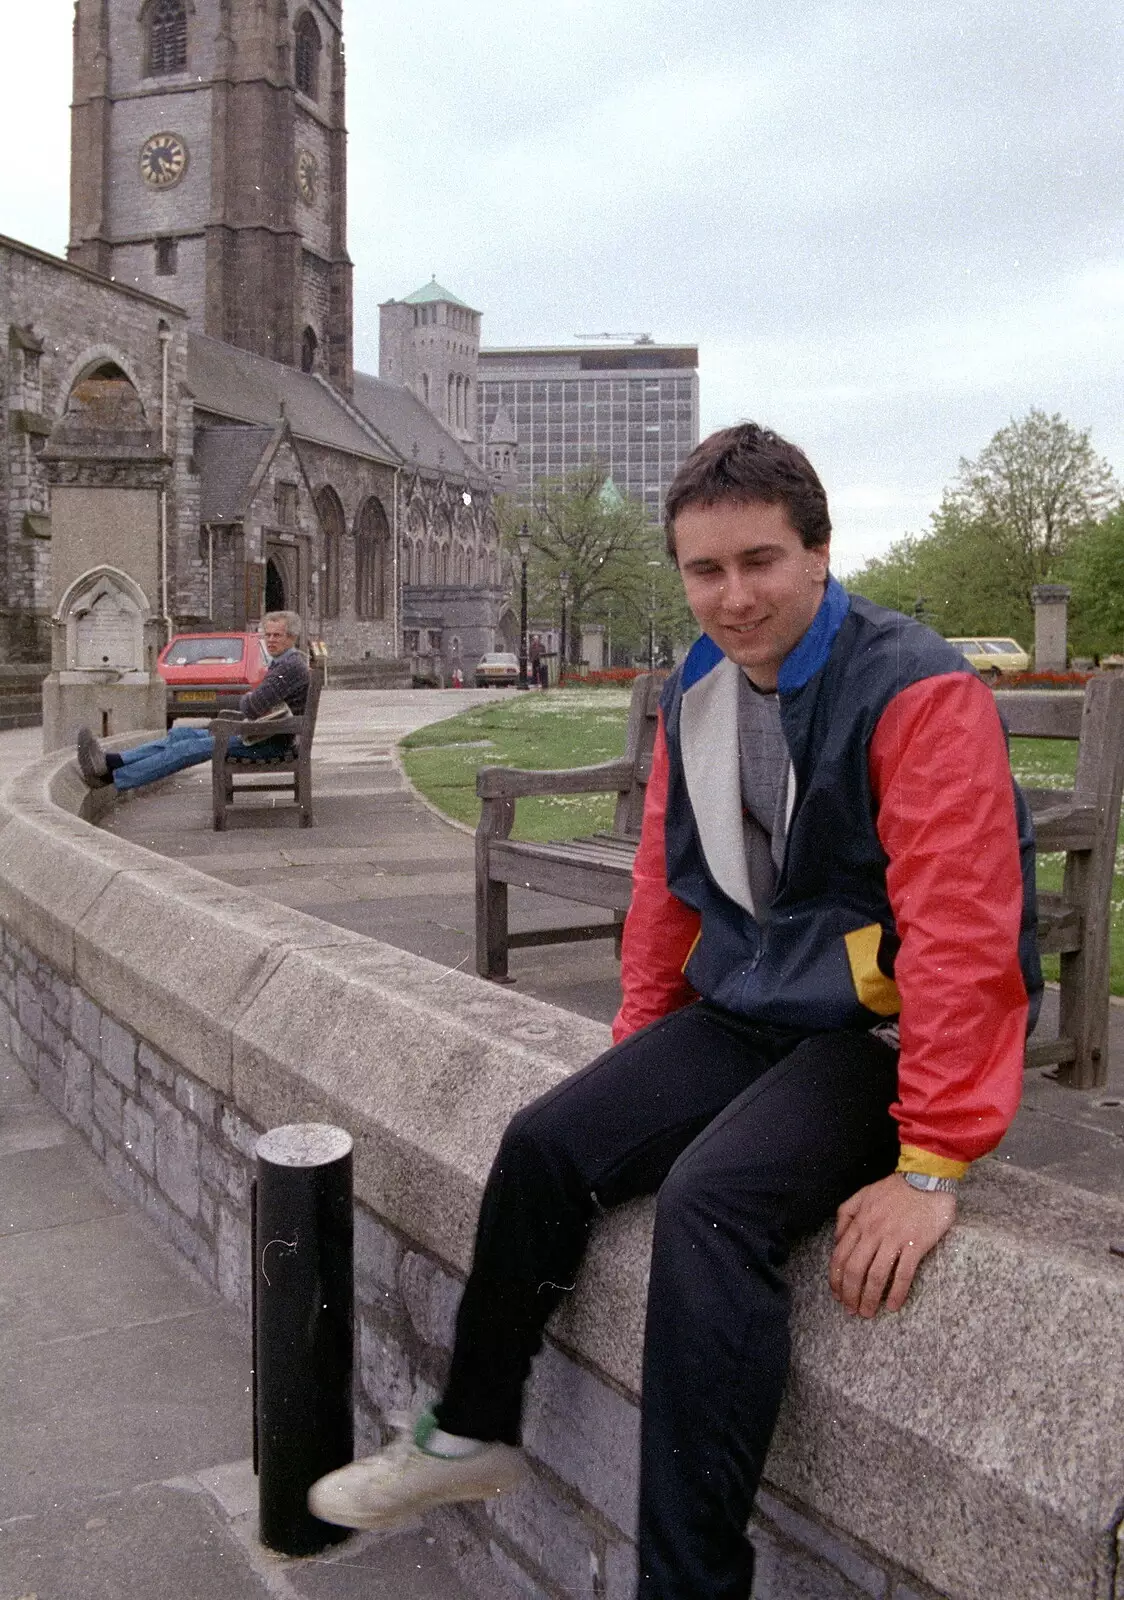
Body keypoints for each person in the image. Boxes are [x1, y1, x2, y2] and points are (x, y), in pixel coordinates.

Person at [308, 425, 1040, 1597]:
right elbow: (668, 872)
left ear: (817, 553)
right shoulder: (699, 682)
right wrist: (642, 1031)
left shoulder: (915, 689)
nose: (732, 596)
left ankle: (687, 1585)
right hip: (755, 999)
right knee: (547, 1142)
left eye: (758, 562)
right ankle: (468, 1434)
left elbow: (958, 926)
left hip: (878, 1032)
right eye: (705, 570)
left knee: (712, 1203)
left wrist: (932, 1163)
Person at [75, 611, 310, 793]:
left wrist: (251, 699)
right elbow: (255, 703)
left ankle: (111, 778)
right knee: (180, 735)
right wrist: (253, 699)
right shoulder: (286, 662)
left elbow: (250, 705)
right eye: (267, 635)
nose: (270, 640)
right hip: (261, 733)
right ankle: (113, 761)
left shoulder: (289, 667)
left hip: (270, 741)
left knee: (188, 748)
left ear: (292, 637)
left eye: (277, 635)